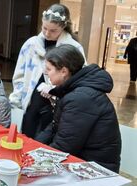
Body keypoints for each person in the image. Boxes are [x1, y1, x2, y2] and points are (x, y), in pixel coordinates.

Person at [36, 44, 121, 173]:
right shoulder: (73, 89)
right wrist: (34, 145)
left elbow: (65, 145)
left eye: (49, 69)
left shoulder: (81, 98)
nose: (45, 73)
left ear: (64, 71)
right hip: (83, 160)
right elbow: (55, 127)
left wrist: (36, 159)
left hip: (95, 169)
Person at [9, 3, 85, 139]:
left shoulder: (74, 48)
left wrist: (55, 89)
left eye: (53, 30)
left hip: (57, 104)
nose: (47, 33)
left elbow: (79, 79)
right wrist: (17, 99)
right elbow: (19, 75)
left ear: (63, 26)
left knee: (48, 140)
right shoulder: (31, 44)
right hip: (32, 101)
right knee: (27, 137)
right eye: (44, 28)